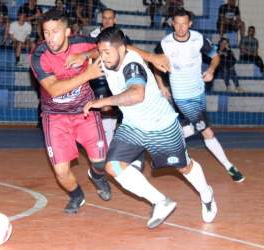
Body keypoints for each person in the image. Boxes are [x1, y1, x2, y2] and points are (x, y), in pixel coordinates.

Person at [84, 27, 218, 228]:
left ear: (122, 50)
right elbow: (101, 51)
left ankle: (207, 194)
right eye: (101, 52)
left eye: (106, 53)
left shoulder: (132, 65)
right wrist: (82, 56)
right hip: (133, 126)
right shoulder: (109, 56)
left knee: (183, 166)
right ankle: (160, 201)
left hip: (160, 126)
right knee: (113, 166)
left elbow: (137, 94)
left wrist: (102, 102)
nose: (103, 57)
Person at [29, 9, 112, 214]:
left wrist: (85, 55)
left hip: (85, 111)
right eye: (46, 32)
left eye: (55, 32)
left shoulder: (81, 42)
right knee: (61, 172)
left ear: (67, 32)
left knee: (101, 162)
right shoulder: (39, 55)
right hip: (55, 117)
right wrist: (88, 75)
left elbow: (104, 49)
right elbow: (54, 89)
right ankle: (77, 195)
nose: (50, 38)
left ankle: (97, 175)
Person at [155, 8, 245, 182]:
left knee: (197, 126)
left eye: (184, 24)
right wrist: (161, 86)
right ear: (172, 24)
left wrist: (211, 70)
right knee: (206, 130)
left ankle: (166, 139)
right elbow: (154, 64)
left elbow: (215, 57)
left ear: (190, 24)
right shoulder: (165, 43)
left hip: (199, 91)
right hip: (181, 95)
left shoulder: (198, 39)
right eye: (177, 24)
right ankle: (230, 167)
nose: (181, 28)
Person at [89, 8, 132, 145]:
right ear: (101, 19)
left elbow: (128, 54)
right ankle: (103, 138)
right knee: (103, 107)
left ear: (115, 20)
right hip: (99, 77)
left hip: (116, 76)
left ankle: (108, 137)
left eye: (110, 18)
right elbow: (89, 55)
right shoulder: (93, 35)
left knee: (112, 107)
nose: (107, 21)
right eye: (105, 18)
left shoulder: (121, 36)